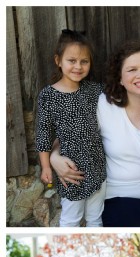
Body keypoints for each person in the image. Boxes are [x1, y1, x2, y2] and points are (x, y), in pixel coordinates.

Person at [49, 40, 140, 227]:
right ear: (120, 77)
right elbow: (71, 133)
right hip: (121, 197)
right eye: (132, 70)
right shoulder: (104, 105)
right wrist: (54, 156)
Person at [35, 29, 106, 227]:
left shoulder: (94, 90)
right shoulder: (49, 95)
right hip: (70, 168)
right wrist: (47, 166)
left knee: (95, 218)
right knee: (71, 219)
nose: (78, 66)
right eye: (72, 60)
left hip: (97, 165)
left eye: (84, 61)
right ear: (58, 60)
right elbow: (43, 133)